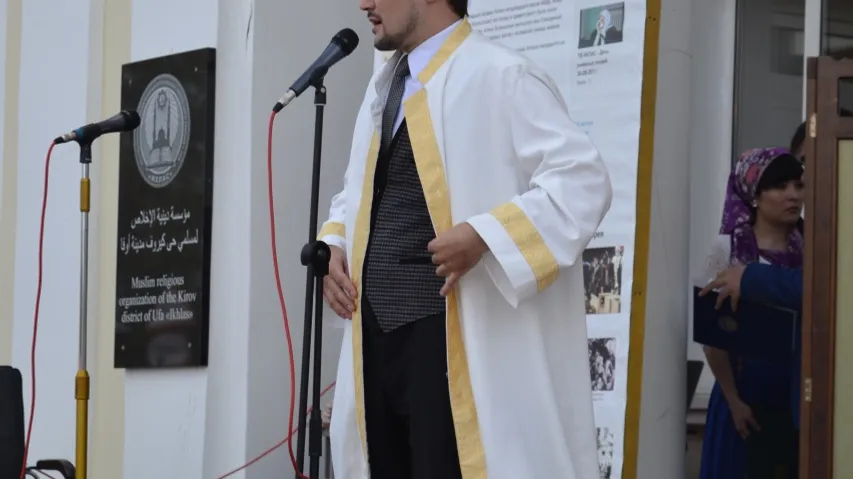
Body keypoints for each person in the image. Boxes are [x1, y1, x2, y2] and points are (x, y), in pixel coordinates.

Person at [318, 1, 612, 478]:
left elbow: (581, 182)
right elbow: (359, 191)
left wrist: (484, 235)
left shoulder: (504, 76)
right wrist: (335, 242)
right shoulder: (383, 87)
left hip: (451, 343)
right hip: (375, 342)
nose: (364, 3)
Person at [699, 147, 804, 479]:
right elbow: (711, 332)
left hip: (798, 390)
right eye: (780, 186)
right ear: (754, 194)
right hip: (742, 390)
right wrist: (733, 399)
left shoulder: (815, 245)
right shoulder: (729, 249)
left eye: (798, 185)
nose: (793, 195)